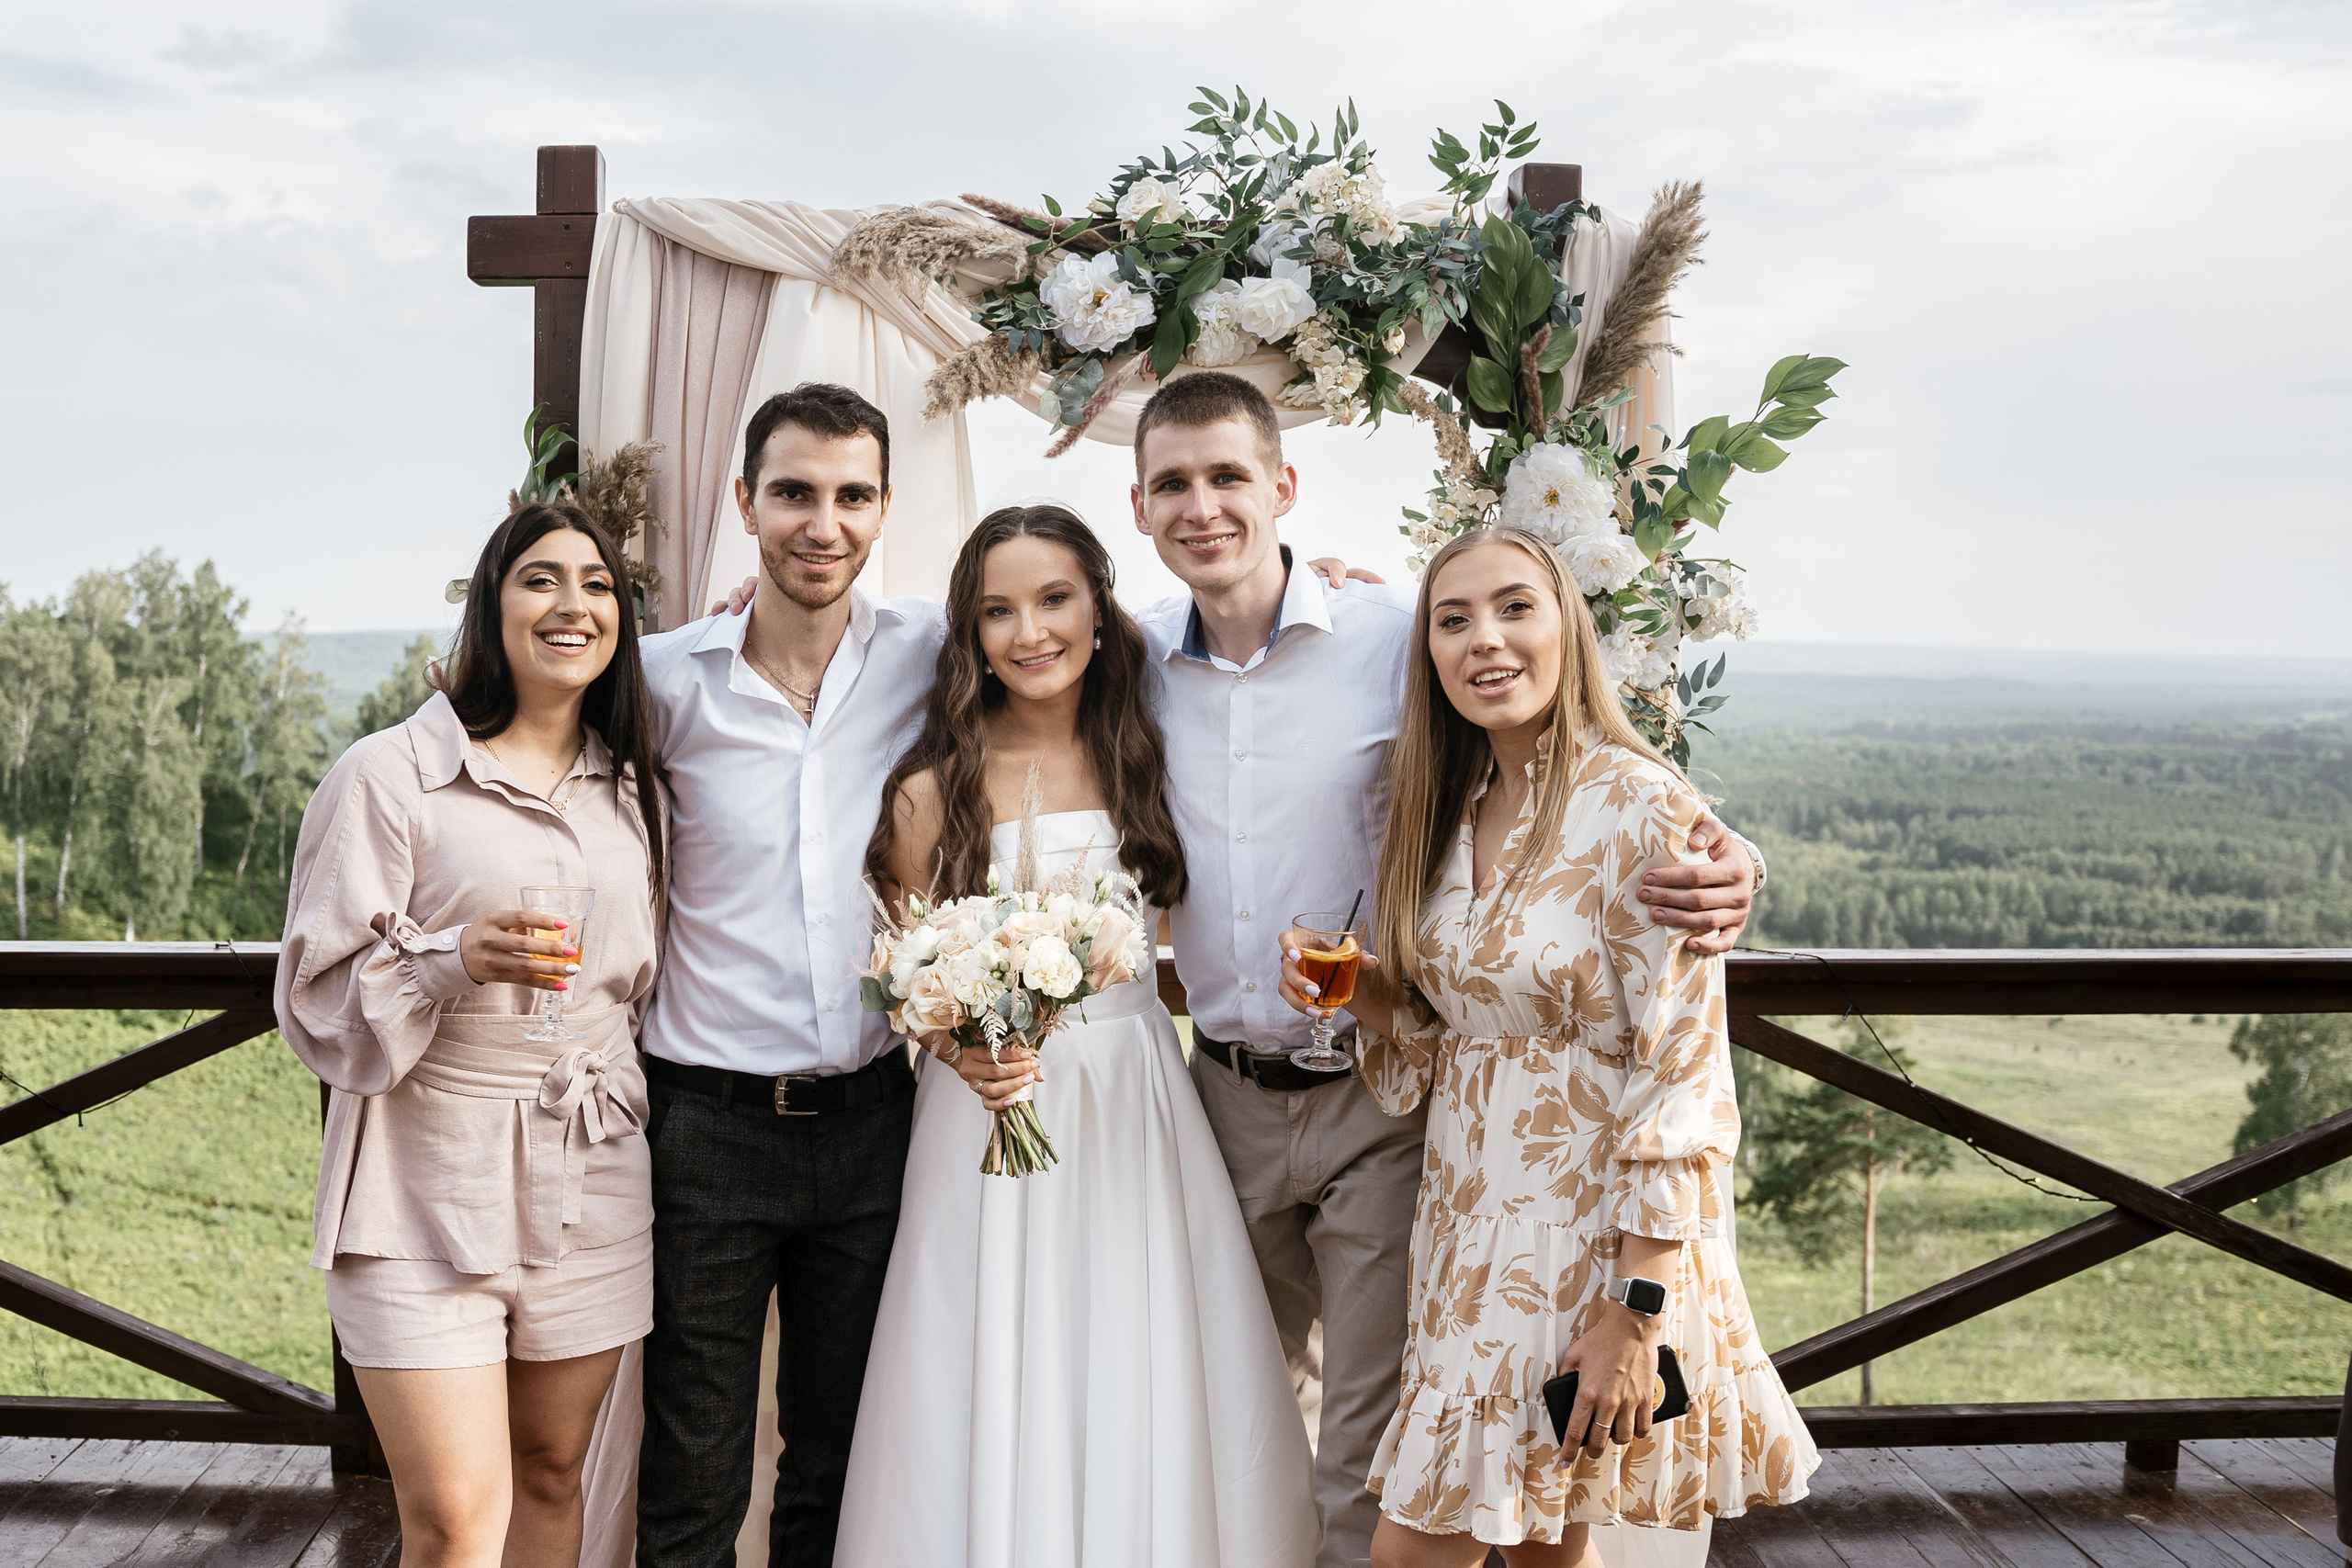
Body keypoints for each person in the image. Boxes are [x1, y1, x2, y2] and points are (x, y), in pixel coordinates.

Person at [1125, 371, 1761, 1568]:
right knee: (1249, 1417)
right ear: (1141, 505)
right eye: (1174, 481)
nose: (1202, 504)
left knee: (1396, 1469)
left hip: (1409, 1133)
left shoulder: (1384, 634)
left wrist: (1732, 858)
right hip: (1244, 1103)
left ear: (1285, 488)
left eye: (1228, 476)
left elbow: (1677, 1015)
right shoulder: (1135, 657)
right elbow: (1441, 996)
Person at [1283, 525, 1816, 1566]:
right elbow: (1454, 1038)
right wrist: (1361, 990)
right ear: (1427, 654)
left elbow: (1684, 1070)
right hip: (1466, 1224)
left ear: (1566, 625)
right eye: (1453, 619)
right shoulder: (1453, 807)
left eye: (1514, 607)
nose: (1486, 639)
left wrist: (1636, 1309)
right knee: (1539, 1549)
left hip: (1586, 1236)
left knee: (1412, 1550)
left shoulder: (1640, 805)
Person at [834, 504, 1319, 1567]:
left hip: (1134, 1099)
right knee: (988, 1355)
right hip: (986, 1112)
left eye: (1054, 598)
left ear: (1099, 609)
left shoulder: (1155, 748)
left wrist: (1329, 577)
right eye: (995, 611)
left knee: (1135, 1352)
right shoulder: (929, 790)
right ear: (966, 634)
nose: (1029, 631)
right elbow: (904, 977)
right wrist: (969, 1053)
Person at [278, 501, 668, 1568]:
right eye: (540, 579)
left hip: (593, 1171)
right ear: (492, 605)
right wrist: (452, 959)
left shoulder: (634, 788)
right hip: (421, 1182)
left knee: (553, 1474)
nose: (572, 603)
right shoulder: (388, 776)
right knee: (455, 1520)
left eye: (597, 585)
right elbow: (316, 997)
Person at [631, 384, 938, 1568]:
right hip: (703, 1126)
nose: (824, 523)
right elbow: (517, 729)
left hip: (874, 1122)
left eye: (852, 496)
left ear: (883, 508)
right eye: (796, 493)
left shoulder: (925, 651)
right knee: (697, 1469)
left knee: (840, 1464)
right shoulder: (659, 679)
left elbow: (1075, 633)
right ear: (745, 500)